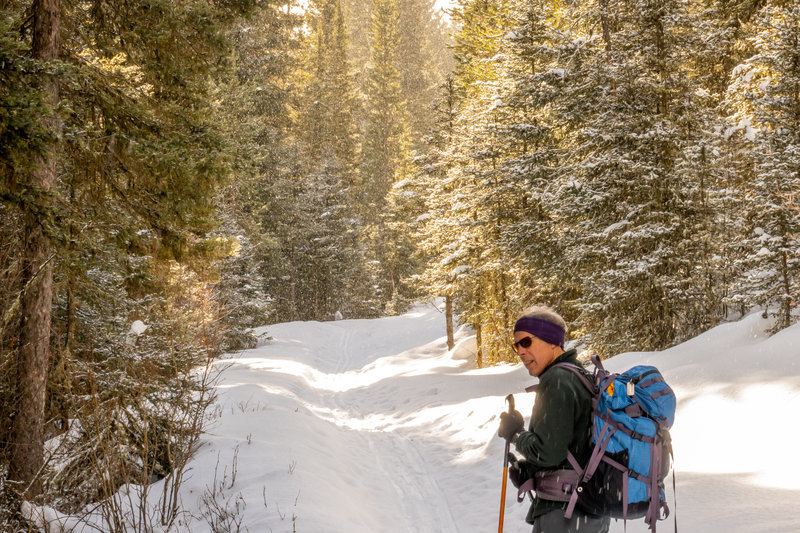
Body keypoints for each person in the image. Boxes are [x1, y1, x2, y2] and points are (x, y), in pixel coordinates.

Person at [497, 305, 610, 533]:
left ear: (551, 341)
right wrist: (532, 471)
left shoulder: (558, 379)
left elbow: (548, 452)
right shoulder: (579, 375)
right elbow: (573, 446)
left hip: (564, 513)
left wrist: (516, 433)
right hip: (587, 510)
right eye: (516, 345)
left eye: (526, 342)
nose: (520, 351)